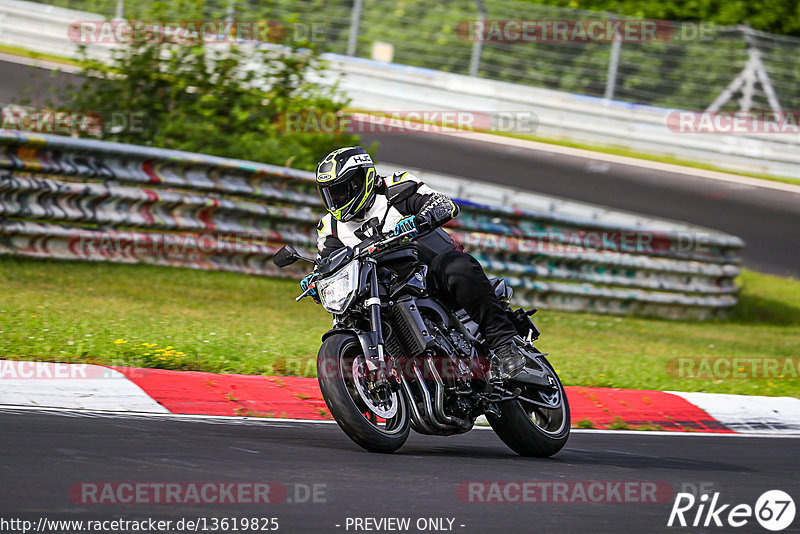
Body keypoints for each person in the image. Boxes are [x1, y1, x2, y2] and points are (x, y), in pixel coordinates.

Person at [304, 146, 526, 380]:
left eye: (344, 190)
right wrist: (314, 280)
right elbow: (325, 263)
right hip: (383, 288)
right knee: (351, 314)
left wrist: (421, 219)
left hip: (429, 274)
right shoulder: (330, 227)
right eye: (332, 194)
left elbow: (442, 203)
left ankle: (504, 344)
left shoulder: (397, 188)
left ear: (364, 178)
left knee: (456, 266)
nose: (339, 199)